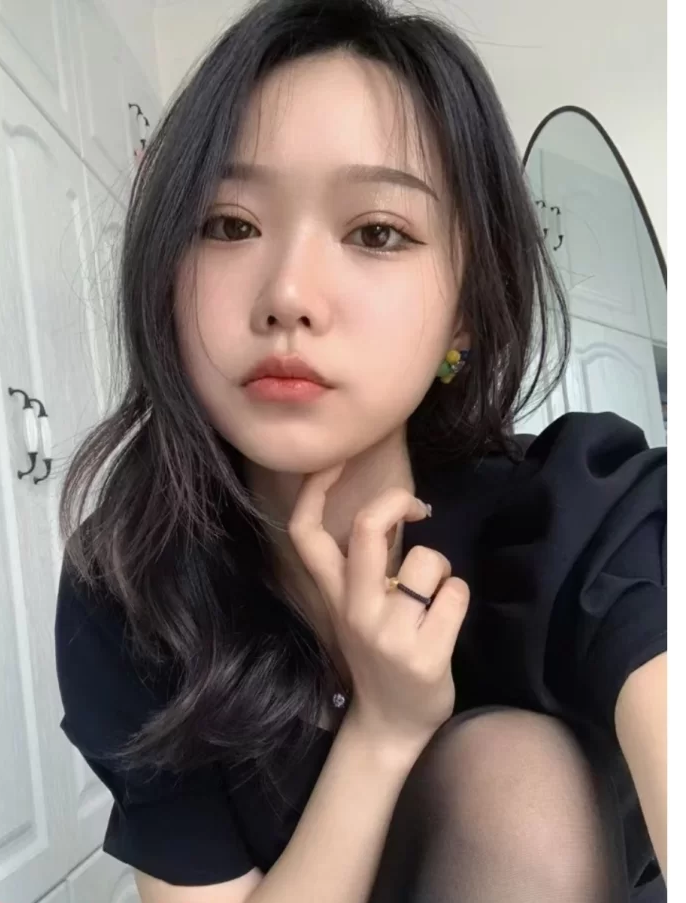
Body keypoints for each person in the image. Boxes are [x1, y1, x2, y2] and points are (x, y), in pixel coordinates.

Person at [54, 1, 667, 900]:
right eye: (229, 224)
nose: (289, 294)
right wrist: (382, 731)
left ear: (465, 311)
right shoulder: (136, 585)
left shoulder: (582, 516)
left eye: (378, 231)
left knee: (514, 778)